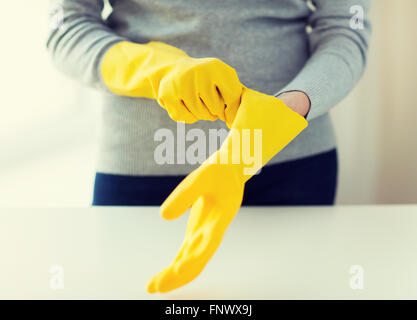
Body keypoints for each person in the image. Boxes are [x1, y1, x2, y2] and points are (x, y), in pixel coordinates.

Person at [47, 0, 371, 293]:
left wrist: (282, 114)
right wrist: (154, 70)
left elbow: (346, 26)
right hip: (141, 171)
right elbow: (67, 27)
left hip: (288, 164)